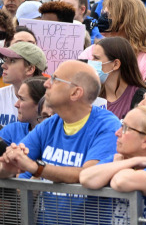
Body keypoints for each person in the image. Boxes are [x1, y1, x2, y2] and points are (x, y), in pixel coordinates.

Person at [0, 60, 121, 219]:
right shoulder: (50, 124)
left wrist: (37, 167)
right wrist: (9, 160)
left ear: (75, 93)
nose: (46, 84)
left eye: (55, 79)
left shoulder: (107, 125)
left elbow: (89, 173)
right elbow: (14, 165)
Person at [80, 0, 146, 79]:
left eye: (108, 15)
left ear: (126, 20)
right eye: (103, 14)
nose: (102, 18)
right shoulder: (91, 51)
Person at [88, 37, 146, 119]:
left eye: (96, 58)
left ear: (116, 64)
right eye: (92, 58)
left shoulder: (140, 98)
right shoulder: (93, 93)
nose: (91, 62)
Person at [0, 42, 47, 126]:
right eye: (5, 60)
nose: (3, 66)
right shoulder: (1, 95)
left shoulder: (50, 101)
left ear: (30, 69)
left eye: (12, 61)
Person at [0, 77, 46, 145]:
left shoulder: (57, 133)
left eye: (22, 99)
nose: (16, 104)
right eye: (18, 98)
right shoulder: (13, 130)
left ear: (41, 104)